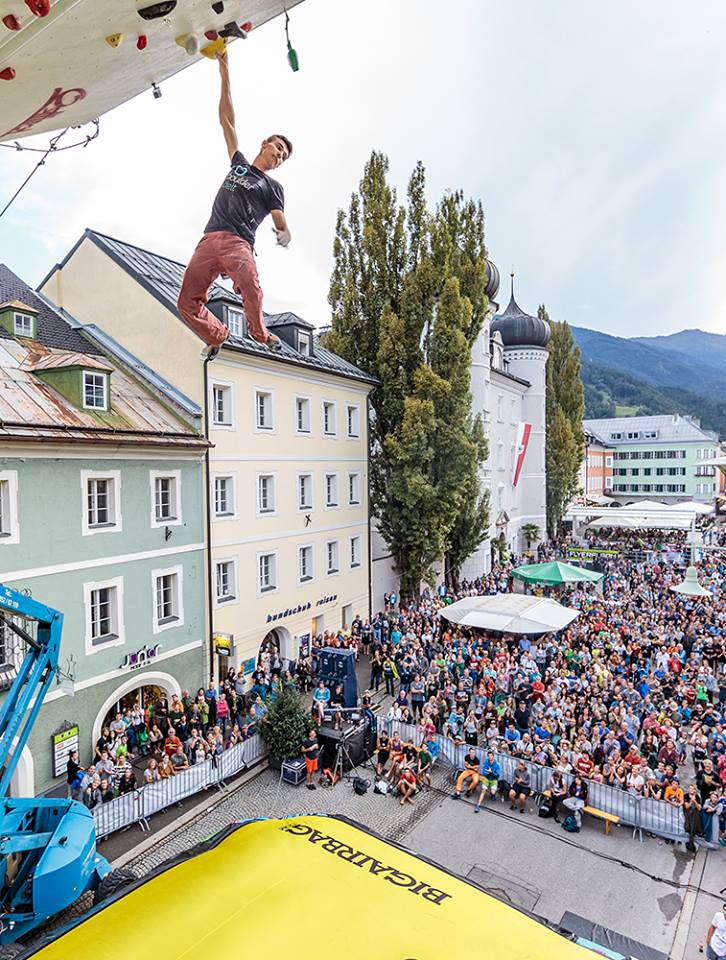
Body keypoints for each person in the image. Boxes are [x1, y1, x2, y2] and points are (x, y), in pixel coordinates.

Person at [177, 52, 292, 354]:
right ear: (265, 143)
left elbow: (280, 221)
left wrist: (285, 232)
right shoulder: (239, 164)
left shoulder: (272, 186)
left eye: (282, 157)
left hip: (238, 244)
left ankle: (260, 334)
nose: (278, 156)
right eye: (278, 148)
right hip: (209, 239)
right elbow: (226, 120)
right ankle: (217, 335)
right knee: (186, 302)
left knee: (250, 286)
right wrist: (224, 70)